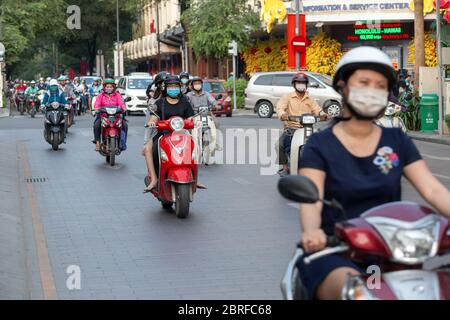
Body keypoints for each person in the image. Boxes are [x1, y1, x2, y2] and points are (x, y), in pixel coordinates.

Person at [296, 46, 450, 300]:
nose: (372, 90)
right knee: (360, 293)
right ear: (343, 86)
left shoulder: (396, 140)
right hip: (335, 251)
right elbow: (311, 199)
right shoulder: (319, 145)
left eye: (380, 85)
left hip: (390, 253)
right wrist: (312, 231)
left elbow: (433, 190)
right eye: (364, 82)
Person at [142, 75, 206, 192]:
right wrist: (152, 122)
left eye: (176, 86)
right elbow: (153, 118)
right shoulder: (160, 102)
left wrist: (197, 122)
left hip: (182, 134)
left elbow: (191, 118)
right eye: (170, 86)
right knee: (148, 149)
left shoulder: (185, 102)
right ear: (165, 88)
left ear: (180, 88)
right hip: (163, 134)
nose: (173, 88)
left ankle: (195, 178)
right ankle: (154, 179)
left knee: (195, 148)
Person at [276, 72, 328, 176]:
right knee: (279, 145)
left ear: (306, 84)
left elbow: (318, 110)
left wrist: (324, 115)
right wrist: (284, 115)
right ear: (294, 84)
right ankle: (285, 168)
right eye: (298, 82)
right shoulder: (288, 97)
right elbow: (280, 108)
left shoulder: (310, 99)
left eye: (303, 83)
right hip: (291, 128)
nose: (301, 84)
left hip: (307, 129)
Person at [93, 79, 128, 152]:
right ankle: (97, 142)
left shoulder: (117, 95)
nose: (109, 88)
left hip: (116, 116)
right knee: (96, 125)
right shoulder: (100, 95)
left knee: (125, 125)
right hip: (103, 116)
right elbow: (97, 104)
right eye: (107, 86)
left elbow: (121, 103)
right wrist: (96, 109)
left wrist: (124, 108)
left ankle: (122, 143)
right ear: (104, 87)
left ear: (114, 87)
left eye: (110, 86)